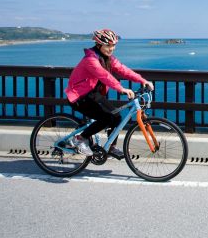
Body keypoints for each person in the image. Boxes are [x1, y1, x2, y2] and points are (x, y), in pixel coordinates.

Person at [64, 29, 154, 159]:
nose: (111, 48)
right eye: (108, 45)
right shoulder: (90, 59)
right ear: (99, 45)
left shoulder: (108, 58)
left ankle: (111, 146)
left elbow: (124, 70)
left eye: (113, 45)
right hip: (79, 96)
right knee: (106, 118)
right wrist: (121, 88)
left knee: (116, 116)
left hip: (92, 94)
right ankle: (79, 138)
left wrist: (142, 80)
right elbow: (104, 75)